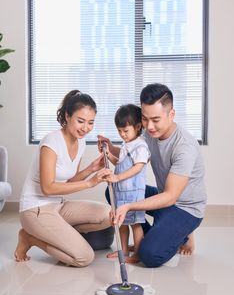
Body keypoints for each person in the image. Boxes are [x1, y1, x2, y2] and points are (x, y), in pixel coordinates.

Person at [99, 83, 206, 268]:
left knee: (150, 256)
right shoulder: (150, 133)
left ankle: (182, 231)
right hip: (164, 197)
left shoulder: (184, 147)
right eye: (145, 119)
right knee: (114, 193)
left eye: (156, 119)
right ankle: (160, 232)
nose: (149, 126)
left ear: (171, 114)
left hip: (185, 207)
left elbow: (171, 196)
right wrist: (110, 147)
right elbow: (134, 156)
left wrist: (129, 206)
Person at [14, 90, 110, 267]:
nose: (85, 128)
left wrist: (92, 168)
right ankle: (30, 238)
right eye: (80, 121)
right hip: (35, 210)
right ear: (67, 116)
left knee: (110, 214)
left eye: (90, 123)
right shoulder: (51, 142)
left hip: (58, 206)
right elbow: (48, 188)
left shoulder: (80, 141)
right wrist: (90, 182)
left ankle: (62, 233)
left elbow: (70, 181)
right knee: (84, 258)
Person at [102, 104, 150, 263]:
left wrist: (117, 178)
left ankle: (137, 253)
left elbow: (138, 167)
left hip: (133, 193)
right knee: (121, 223)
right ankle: (123, 250)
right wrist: (108, 154)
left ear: (137, 127)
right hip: (121, 192)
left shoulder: (140, 145)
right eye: (119, 131)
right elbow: (120, 163)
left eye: (125, 131)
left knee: (136, 224)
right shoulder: (126, 144)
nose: (122, 134)